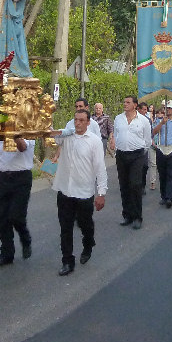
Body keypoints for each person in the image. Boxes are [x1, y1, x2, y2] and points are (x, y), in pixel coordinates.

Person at [52, 109, 107, 276]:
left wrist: (101, 193)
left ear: (88, 122)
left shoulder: (94, 141)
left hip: (84, 191)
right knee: (65, 227)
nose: (78, 123)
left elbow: (100, 168)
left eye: (82, 120)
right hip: (65, 189)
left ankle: (88, 243)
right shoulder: (66, 136)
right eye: (76, 120)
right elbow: (51, 136)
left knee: (85, 224)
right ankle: (67, 261)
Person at [0, 137, 35, 267]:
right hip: (4, 179)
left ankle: (25, 238)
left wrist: (13, 134)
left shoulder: (27, 130)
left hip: (22, 178)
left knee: (17, 216)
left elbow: (22, 147)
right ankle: (7, 254)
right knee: (3, 219)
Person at [111, 96, 152, 229]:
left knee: (135, 184)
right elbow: (116, 135)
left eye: (128, 102)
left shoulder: (144, 121)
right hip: (122, 155)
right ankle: (127, 215)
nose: (125, 104)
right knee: (124, 185)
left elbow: (147, 140)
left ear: (135, 105)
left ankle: (137, 217)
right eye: (124, 102)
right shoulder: (118, 118)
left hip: (137, 155)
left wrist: (140, 152)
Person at [152, 100, 172, 208]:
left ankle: (169, 198)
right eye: (166, 108)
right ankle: (163, 196)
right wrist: (162, 123)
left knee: (171, 175)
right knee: (162, 175)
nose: (167, 110)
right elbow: (154, 132)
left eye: (169, 108)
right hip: (161, 150)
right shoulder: (159, 121)